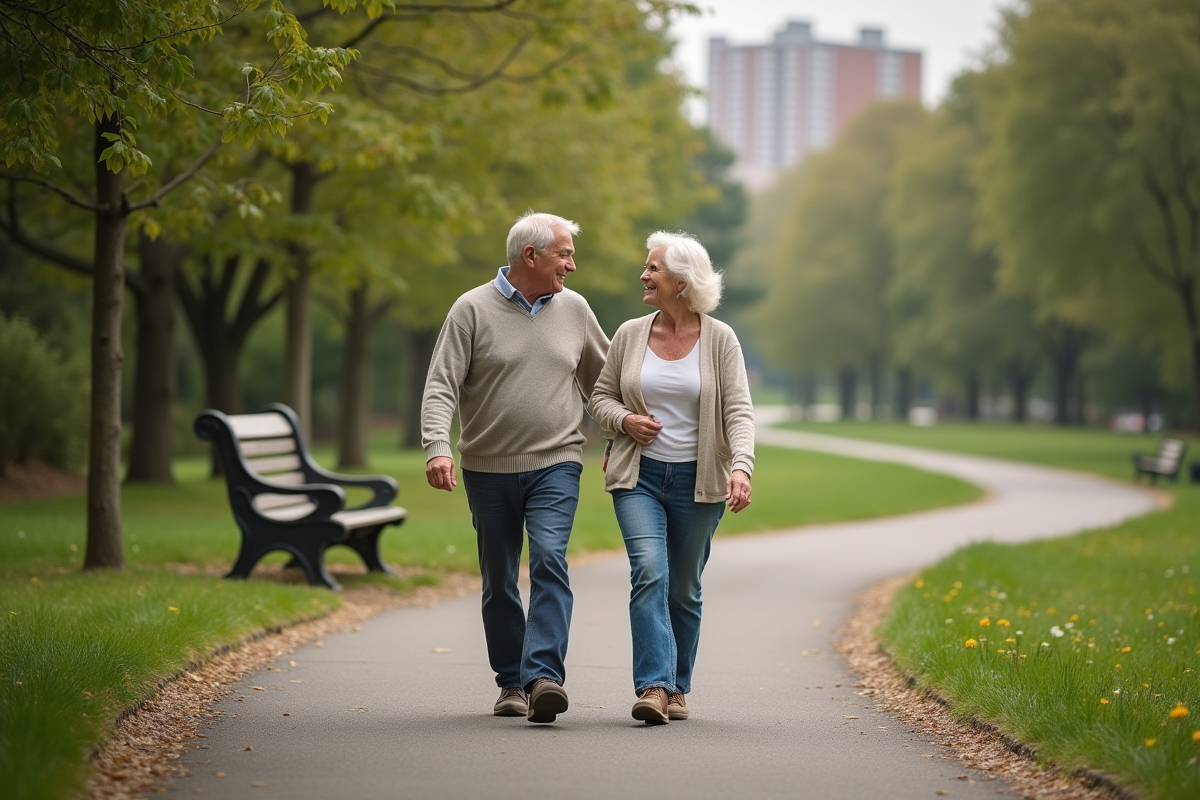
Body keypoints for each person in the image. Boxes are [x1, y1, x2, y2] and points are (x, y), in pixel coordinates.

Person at [420, 211, 609, 724]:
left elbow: (604, 384)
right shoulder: (471, 310)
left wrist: (619, 436)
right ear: (531, 256)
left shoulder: (575, 309)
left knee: (549, 559)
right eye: (564, 253)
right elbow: (442, 385)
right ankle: (511, 681)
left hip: (557, 461)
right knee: (499, 575)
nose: (572, 263)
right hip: (488, 466)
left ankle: (544, 676)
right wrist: (438, 445)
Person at [587, 230, 754, 725]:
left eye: (653, 268)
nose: (644, 274)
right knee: (649, 572)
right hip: (638, 476)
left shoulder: (720, 338)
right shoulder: (629, 334)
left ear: (681, 282)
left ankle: (679, 687)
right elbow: (600, 399)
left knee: (683, 587)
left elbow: (739, 411)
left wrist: (741, 465)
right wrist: (625, 421)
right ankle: (654, 687)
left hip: (698, 482)